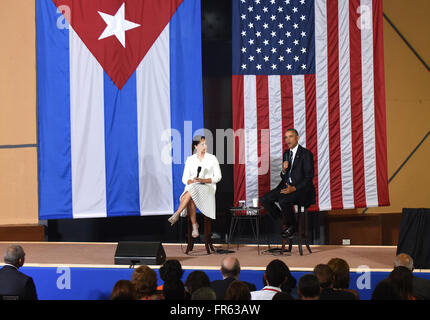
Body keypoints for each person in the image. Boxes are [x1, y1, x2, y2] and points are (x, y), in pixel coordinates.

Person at [259, 128, 315, 239]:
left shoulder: (306, 154)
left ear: (297, 138)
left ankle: (291, 226)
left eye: (291, 136)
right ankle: (289, 223)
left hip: (301, 190)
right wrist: (284, 170)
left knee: (283, 200)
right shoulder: (286, 153)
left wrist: (294, 189)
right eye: (286, 137)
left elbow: (309, 177)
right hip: (286, 187)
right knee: (264, 199)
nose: (288, 139)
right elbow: (284, 176)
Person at [168, 135, 222, 238]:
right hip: (193, 187)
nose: (205, 146)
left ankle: (177, 213)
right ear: (195, 146)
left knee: (191, 190)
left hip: (207, 188)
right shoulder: (190, 159)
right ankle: (194, 225)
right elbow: (184, 178)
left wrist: (203, 180)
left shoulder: (212, 158)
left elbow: (218, 177)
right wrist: (190, 181)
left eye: (205, 144)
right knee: (192, 191)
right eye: (202, 144)